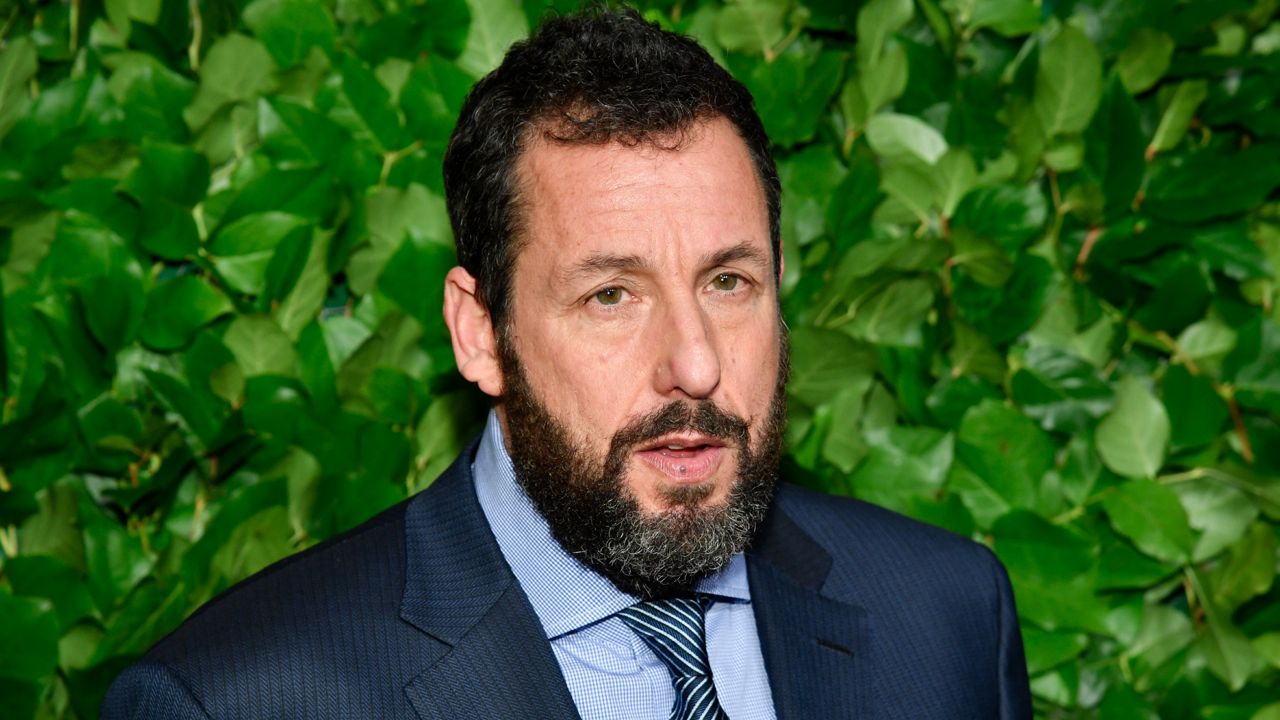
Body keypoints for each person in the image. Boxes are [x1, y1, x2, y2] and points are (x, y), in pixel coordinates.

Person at [102, 8, 1031, 719]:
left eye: (730, 281)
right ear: (480, 334)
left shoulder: (947, 619)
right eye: (611, 296)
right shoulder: (236, 701)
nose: (696, 367)